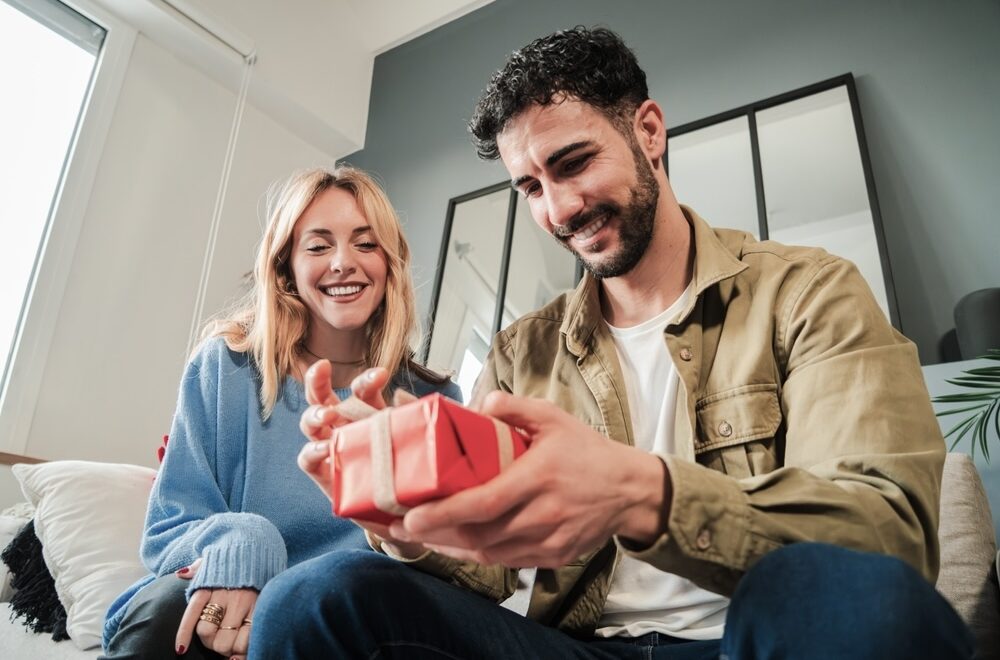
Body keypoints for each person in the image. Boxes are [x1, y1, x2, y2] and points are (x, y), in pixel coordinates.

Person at [251, 27, 974, 659]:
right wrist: (404, 520)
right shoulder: (518, 354)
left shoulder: (810, 293)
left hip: (754, 640)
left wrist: (641, 493)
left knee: (854, 597)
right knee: (311, 598)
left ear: (650, 131)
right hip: (575, 648)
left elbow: (886, 536)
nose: (559, 208)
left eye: (572, 163)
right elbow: (494, 570)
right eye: (530, 187)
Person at [100, 165, 460, 660]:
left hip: (343, 625)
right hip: (215, 602)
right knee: (165, 611)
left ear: (390, 262)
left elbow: (445, 567)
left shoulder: (433, 401)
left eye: (365, 243)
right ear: (286, 265)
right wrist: (246, 540)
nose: (342, 263)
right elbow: (169, 529)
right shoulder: (224, 366)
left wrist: (280, 613)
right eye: (317, 246)